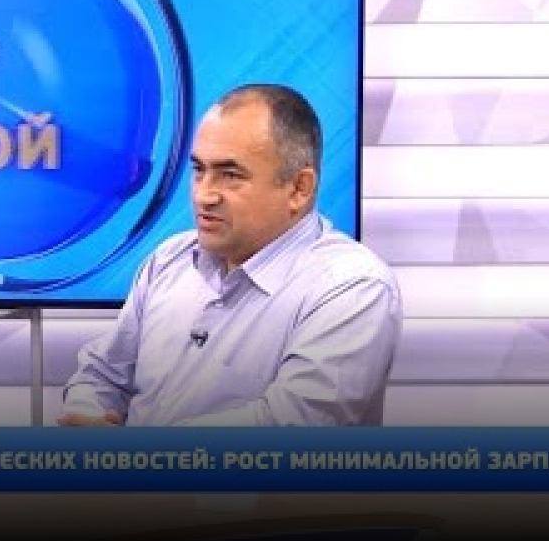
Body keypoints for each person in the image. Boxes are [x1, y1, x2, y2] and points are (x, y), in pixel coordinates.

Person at [59, 83, 401, 427]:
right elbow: (102, 373)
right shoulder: (169, 260)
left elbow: (293, 423)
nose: (203, 196)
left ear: (299, 188)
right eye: (199, 171)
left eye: (230, 175)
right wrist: (88, 415)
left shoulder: (353, 287)